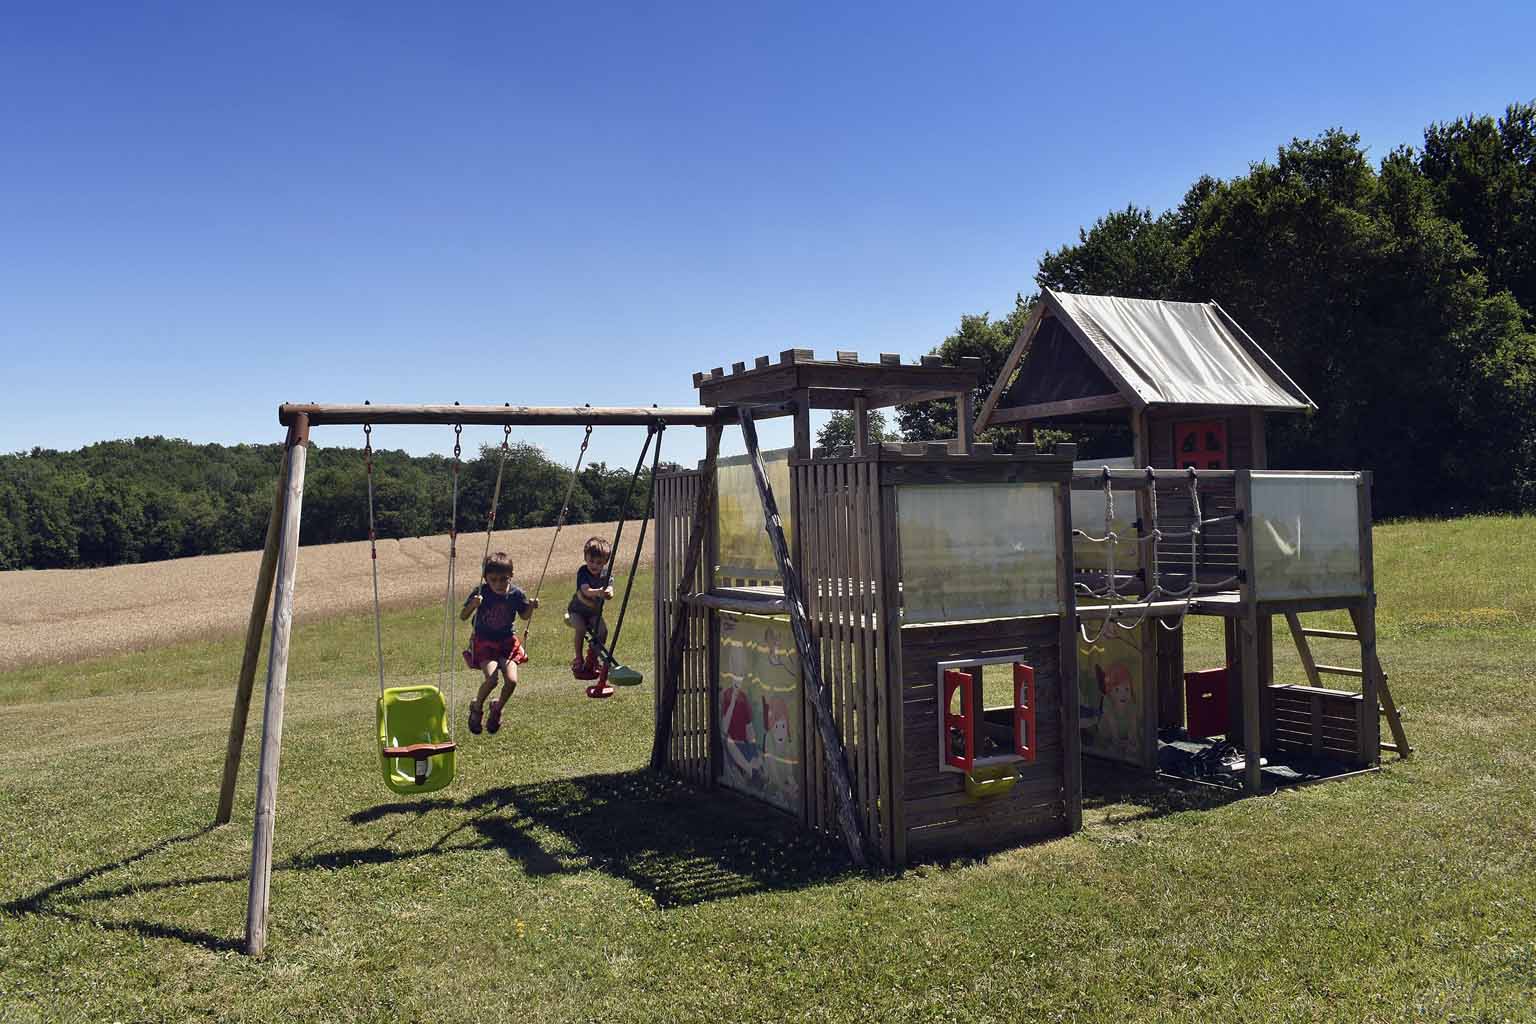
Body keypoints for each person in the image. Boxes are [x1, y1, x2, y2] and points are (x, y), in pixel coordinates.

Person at [461, 551, 537, 735]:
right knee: (492, 679)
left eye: (503, 579)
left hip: (506, 642)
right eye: (493, 579)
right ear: (486, 578)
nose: (498, 584)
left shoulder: (516, 594)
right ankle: (476, 706)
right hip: (485, 642)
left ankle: (497, 708)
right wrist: (473, 605)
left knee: (511, 681)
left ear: (511, 576)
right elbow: (463, 616)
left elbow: (524, 615)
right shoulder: (481, 592)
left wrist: (530, 607)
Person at [568, 536, 614, 675]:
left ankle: (592, 657)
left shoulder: (606, 574)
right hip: (577, 611)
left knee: (603, 631)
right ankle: (578, 658)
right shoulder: (583, 571)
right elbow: (585, 590)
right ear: (585, 558)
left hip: (594, 613)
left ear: (605, 562)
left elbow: (611, 590)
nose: (594, 565)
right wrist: (599, 592)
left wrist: (608, 592)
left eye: (599, 562)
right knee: (581, 629)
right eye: (591, 561)